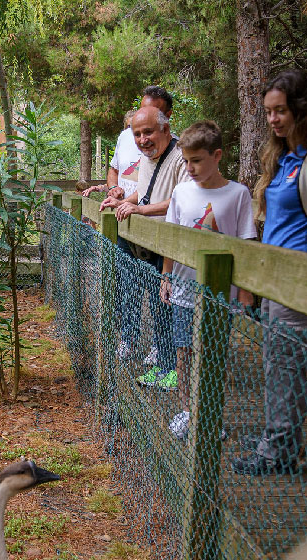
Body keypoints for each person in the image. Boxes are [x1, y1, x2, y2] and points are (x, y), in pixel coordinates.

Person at [229, 68, 307, 475]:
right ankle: (278, 444)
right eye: (268, 112)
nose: (274, 120)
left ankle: (277, 454)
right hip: (274, 280)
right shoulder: (283, 160)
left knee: (285, 368)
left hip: (297, 283)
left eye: (281, 111)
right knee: (278, 365)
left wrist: (305, 275)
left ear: (302, 109)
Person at [130, 121, 256, 440]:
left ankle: (210, 414)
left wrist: (245, 292)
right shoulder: (182, 192)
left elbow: (246, 246)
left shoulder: (238, 194)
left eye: (197, 161)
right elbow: (172, 239)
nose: (190, 168)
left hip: (219, 295)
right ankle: (187, 410)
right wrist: (166, 276)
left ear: (217, 156)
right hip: (184, 290)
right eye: (186, 161)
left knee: (212, 354)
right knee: (184, 352)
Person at [99, 105, 190, 371]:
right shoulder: (148, 158)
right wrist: (122, 202)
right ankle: (164, 365)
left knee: (168, 308)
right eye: (137, 134)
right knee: (155, 303)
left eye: (148, 132)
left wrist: (139, 209)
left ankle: (173, 369)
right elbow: (143, 191)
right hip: (148, 243)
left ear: (165, 128)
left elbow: (182, 200)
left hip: (172, 247)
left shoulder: (181, 156)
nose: (142, 140)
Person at [83, 85, 175, 201]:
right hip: (121, 215)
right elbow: (114, 170)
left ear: (167, 116)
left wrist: (126, 205)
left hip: (149, 217)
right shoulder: (125, 136)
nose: (143, 140)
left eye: (153, 113)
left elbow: (171, 197)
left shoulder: (176, 150)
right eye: (142, 111)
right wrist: (113, 188)